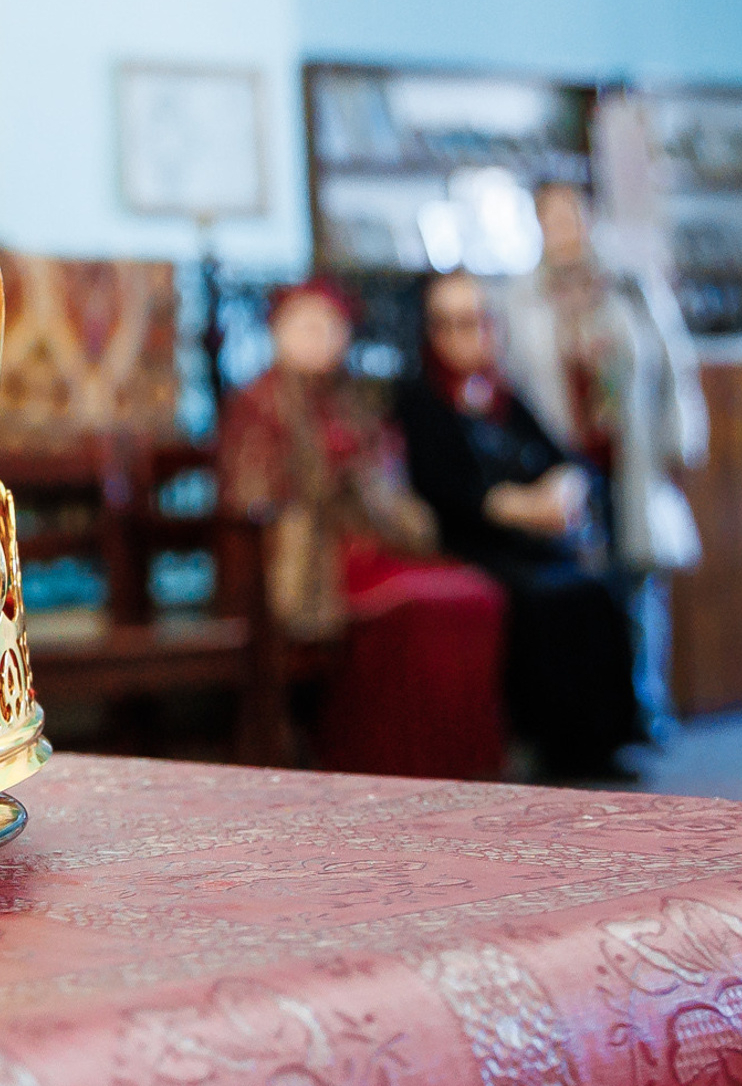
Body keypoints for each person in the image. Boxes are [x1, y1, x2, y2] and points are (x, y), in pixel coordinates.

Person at [218, 279, 506, 780]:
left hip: (373, 543)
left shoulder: (355, 400)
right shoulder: (257, 403)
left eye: (330, 326)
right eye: (306, 325)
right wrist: (326, 481)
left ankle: (461, 770)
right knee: (412, 608)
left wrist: (368, 487)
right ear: (279, 331)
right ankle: (377, 763)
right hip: (304, 559)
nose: (319, 337)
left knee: (473, 593)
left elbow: (392, 488)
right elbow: (250, 496)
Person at [396, 268, 645, 780]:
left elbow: (567, 460)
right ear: (432, 332)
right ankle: (545, 748)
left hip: (534, 537)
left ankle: (604, 742)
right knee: (537, 599)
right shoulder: (419, 401)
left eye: (479, 322)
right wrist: (525, 506)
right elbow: (446, 492)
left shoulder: (502, 394)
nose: (471, 335)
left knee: (597, 587)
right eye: (455, 324)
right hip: (470, 543)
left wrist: (562, 491)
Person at [495, 181, 706, 731]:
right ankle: (591, 713)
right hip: (562, 458)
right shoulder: (518, 297)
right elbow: (513, 378)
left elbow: (671, 361)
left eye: (572, 215)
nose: (564, 228)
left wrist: (679, 438)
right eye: (551, 217)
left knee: (638, 580)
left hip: (628, 450)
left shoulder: (626, 286)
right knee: (580, 579)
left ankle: (645, 702)